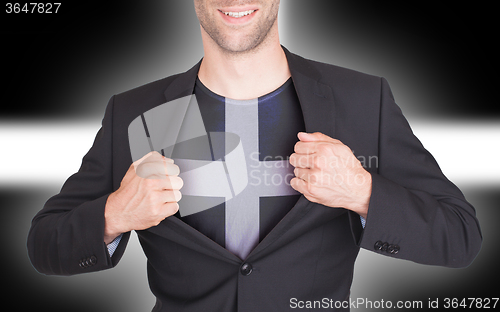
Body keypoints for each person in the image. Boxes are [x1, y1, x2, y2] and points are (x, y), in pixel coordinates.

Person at [27, 1, 482, 311]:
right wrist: (114, 214)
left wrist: (363, 191)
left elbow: (460, 236)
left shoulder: (363, 100)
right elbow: (44, 244)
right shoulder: (134, 112)